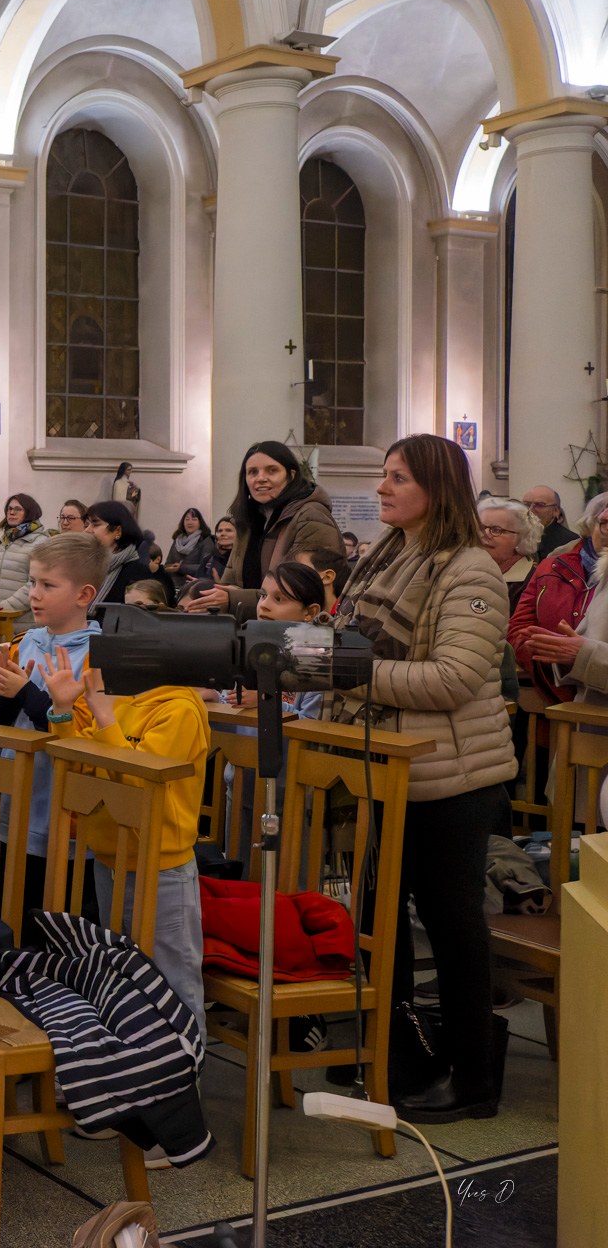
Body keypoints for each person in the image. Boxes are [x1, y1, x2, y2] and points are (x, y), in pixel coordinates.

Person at [327, 434, 513, 1123]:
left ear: (435, 488)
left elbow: (458, 678)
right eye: (382, 475)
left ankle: (474, 1082)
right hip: (386, 768)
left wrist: (350, 671)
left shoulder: (470, 569)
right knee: (382, 920)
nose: (381, 487)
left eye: (396, 477)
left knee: (453, 925)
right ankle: (397, 1053)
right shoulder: (389, 554)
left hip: (451, 777)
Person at [40, 642, 211, 1052]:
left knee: (174, 982)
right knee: (122, 977)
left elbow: (139, 786)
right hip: (109, 858)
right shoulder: (118, 699)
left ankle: (186, 1091)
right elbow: (79, 765)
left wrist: (103, 715)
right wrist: (63, 711)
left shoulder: (179, 708)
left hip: (161, 869)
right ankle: (134, 1075)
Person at [0, 534, 104, 913]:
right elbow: (0, 720)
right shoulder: (24, 641)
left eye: (48, 585)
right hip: (19, 791)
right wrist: (3, 695)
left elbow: (83, 732)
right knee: (15, 902)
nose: (34, 594)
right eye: (32, 582)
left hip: (64, 802)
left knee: (58, 905)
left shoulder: (97, 654)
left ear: (84, 595)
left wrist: (25, 694)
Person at [188, 441, 342, 622]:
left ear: (291, 475)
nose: (260, 478)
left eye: (272, 470)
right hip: (254, 626)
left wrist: (233, 599)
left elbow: (305, 589)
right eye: (253, 472)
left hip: (295, 634)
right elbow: (230, 583)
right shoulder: (248, 522)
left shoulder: (311, 516)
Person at [510, 492, 608, 703]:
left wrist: (580, 656)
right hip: (552, 688)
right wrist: (547, 661)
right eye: (604, 522)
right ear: (591, 524)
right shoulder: (552, 565)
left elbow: (582, 647)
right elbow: (519, 628)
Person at [0, 493, 49, 629]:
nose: (12, 512)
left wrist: (5, 607)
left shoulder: (40, 542)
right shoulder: (3, 542)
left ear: (30, 513)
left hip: (21, 619)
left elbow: (35, 583)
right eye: (9, 509)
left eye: (18, 509)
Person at [477, 497, 541, 613]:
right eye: (481, 528)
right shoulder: (466, 569)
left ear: (521, 538)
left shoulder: (531, 582)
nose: (485, 535)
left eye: (496, 530)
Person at [83, 499, 146, 607]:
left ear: (117, 531)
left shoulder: (137, 572)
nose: (87, 530)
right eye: (87, 525)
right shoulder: (87, 565)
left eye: (95, 524)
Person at [165, 507, 215, 590]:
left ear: (200, 523)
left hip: (195, 586)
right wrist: (169, 567)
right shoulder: (177, 540)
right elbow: (168, 563)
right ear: (183, 522)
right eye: (187, 519)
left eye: (194, 519)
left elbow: (207, 567)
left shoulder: (206, 540)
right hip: (174, 585)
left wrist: (181, 568)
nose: (190, 522)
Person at [523, 485, 576, 560]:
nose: (530, 510)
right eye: (526, 504)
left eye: (539, 505)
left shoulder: (569, 543)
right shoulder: (514, 534)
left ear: (556, 511)